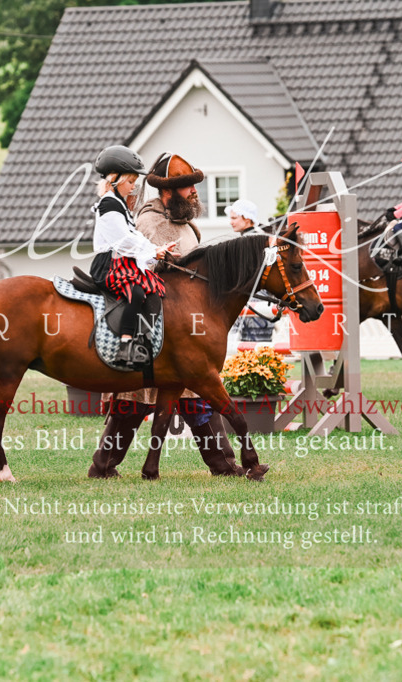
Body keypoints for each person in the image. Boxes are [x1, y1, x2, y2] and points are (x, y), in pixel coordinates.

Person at [89, 151, 244, 478]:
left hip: (183, 329)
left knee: (192, 398)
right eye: (187, 186)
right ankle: (103, 465)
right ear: (168, 191)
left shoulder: (184, 223)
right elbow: (161, 273)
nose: (194, 192)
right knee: (134, 402)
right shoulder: (150, 221)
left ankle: (224, 465)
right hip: (160, 329)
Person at [89, 145, 178, 367]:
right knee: (136, 292)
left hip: (123, 262)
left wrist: (158, 249)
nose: (133, 187)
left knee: (152, 289)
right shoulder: (109, 204)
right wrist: (153, 251)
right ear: (115, 180)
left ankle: (145, 340)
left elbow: (134, 236)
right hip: (109, 265)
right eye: (130, 182)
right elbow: (123, 240)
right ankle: (125, 345)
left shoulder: (119, 205)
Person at [225, 199, 275, 342]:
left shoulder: (254, 239)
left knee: (256, 347)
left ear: (247, 218)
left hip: (256, 300)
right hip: (252, 300)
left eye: (234, 218)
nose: (231, 222)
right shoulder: (255, 237)